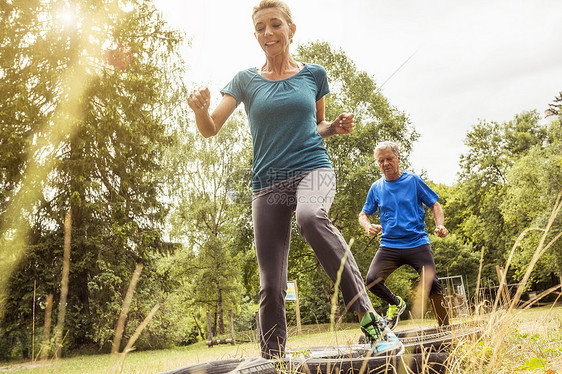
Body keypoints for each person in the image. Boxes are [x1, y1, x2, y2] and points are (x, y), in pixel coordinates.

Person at [187, 0, 403, 359]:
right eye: (260, 28)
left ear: (291, 29)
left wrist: (332, 127)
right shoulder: (244, 80)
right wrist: (198, 111)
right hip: (267, 183)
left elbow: (316, 126)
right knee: (271, 284)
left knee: (310, 218)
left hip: (312, 169)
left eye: (274, 25)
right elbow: (210, 129)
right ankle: (272, 357)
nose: (267, 33)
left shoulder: (313, 75)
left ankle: (371, 322)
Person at [358, 141, 450, 330]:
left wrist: (440, 225)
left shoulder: (413, 181)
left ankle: (446, 329)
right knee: (371, 280)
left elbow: (435, 204)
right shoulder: (376, 187)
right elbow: (363, 214)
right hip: (390, 245)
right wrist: (367, 226)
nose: (385, 164)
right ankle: (395, 303)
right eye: (381, 161)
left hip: (417, 243)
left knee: (432, 283)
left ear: (398, 159)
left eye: (389, 159)